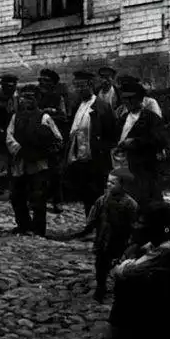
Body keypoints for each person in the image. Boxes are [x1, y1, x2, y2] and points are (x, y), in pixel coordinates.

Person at [6, 84, 63, 238]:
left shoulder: (44, 117)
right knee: (17, 196)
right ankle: (23, 225)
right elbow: (9, 137)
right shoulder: (16, 117)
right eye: (24, 98)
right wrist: (19, 150)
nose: (27, 101)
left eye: (31, 98)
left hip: (38, 164)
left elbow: (58, 139)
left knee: (38, 196)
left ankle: (38, 228)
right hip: (20, 162)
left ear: (37, 99)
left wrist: (42, 151)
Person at [65, 70, 118, 224]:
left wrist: (101, 149)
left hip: (96, 159)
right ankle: (90, 224)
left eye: (82, 86)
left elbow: (112, 134)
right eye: (76, 86)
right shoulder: (78, 106)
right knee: (86, 194)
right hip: (80, 158)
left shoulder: (102, 106)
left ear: (90, 85)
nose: (79, 90)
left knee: (97, 193)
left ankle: (101, 226)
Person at [112, 76, 170, 214]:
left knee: (146, 205)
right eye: (125, 99)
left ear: (139, 99)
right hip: (125, 168)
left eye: (131, 99)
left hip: (144, 170)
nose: (128, 102)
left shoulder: (150, 118)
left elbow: (161, 140)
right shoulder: (123, 118)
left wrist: (135, 142)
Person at [86, 167, 139, 303]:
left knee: (117, 265)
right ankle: (101, 287)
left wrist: (131, 241)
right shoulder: (102, 200)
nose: (108, 184)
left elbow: (133, 224)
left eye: (113, 183)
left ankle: (118, 290)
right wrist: (92, 224)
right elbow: (93, 216)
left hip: (119, 240)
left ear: (123, 185)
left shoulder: (130, 204)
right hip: (103, 238)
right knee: (100, 265)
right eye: (108, 181)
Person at [38, 68, 68, 213]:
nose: (42, 83)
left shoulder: (58, 98)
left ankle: (57, 201)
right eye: (41, 80)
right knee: (39, 171)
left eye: (46, 80)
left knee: (55, 172)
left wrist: (48, 113)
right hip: (38, 139)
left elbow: (64, 117)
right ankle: (39, 200)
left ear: (53, 84)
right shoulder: (36, 96)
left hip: (53, 141)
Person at [0, 74, 19, 197]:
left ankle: (9, 188)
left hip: (14, 132)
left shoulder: (16, 98)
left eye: (13, 85)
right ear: (2, 85)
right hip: (0, 133)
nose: (11, 88)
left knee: (13, 161)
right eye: (8, 85)